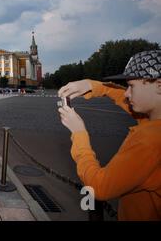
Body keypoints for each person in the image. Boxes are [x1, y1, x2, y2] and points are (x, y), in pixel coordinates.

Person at [58, 50, 161, 221]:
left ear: (159, 85)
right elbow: (127, 101)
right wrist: (95, 86)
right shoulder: (152, 123)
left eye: (132, 86)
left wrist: (79, 134)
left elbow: (99, 187)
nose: (127, 93)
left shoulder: (149, 139)